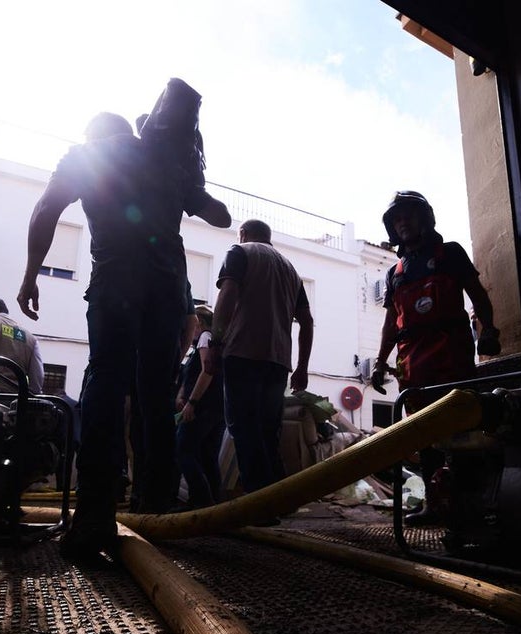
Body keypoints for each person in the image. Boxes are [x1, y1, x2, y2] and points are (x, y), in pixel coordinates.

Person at [18, 80, 231, 562]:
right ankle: (154, 510)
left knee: (106, 382)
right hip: (167, 288)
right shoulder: (165, 159)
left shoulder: (86, 157)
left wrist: (31, 275)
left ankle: (94, 515)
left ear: (93, 134)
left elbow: (45, 209)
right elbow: (219, 216)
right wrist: (191, 183)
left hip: (116, 281)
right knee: (156, 394)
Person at [370, 191, 501, 526]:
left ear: (424, 218)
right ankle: (435, 503)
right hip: (411, 363)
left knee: (461, 426)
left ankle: (473, 502)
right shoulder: (395, 272)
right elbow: (390, 322)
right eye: (396, 218)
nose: (403, 223)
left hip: (450, 354)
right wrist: (380, 361)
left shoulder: (450, 253)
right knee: (422, 434)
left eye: (409, 215)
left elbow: (478, 296)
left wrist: (489, 330)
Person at [204, 219, 313, 494]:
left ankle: (257, 506)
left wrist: (215, 342)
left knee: (244, 429)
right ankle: (274, 501)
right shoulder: (291, 270)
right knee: (268, 433)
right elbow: (307, 321)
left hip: (242, 353)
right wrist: (302, 367)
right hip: (278, 362)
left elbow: (227, 294)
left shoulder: (240, 252)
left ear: (243, 233)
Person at [175, 304, 226, 508]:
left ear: (200, 322)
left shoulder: (205, 337)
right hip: (217, 408)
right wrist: (181, 394)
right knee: (208, 456)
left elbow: (207, 371)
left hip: (203, 407)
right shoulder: (216, 342)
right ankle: (214, 503)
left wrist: (192, 402)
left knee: (183, 449)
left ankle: (201, 499)